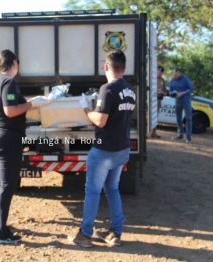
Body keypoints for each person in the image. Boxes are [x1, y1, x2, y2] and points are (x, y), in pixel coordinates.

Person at [68, 49, 136, 248]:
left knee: (92, 190)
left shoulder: (107, 89)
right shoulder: (130, 90)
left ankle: (85, 235)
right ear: (124, 68)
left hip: (104, 150)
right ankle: (115, 232)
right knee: (112, 189)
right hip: (122, 148)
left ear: (106, 67)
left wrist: (86, 108)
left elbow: (101, 121)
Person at [0, 49, 49, 244]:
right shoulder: (9, 82)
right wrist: (32, 104)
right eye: (18, 63)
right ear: (13, 63)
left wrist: (27, 103)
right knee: (7, 184)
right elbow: (10, 110)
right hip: (7, 139)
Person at [169, 67, 194, 143]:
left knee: (188, 118)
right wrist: (173, 93)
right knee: (178, 118)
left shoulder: (185, 79)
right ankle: (180, 135)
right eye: (174, 74)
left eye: (176, 74)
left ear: (180, 73)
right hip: (178, 101)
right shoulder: (172, 80)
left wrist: (182, 93)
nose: (175, 76)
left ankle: (188, 137)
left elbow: (191, 88)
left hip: (186, 100)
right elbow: (169, 91)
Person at [149, 65, 167, 138]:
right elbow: (149, 90)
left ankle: (153, 132)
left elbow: (165, 91)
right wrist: (156, 91)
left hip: (158, 100)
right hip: (152, 100)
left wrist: (163, 92)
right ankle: (145, 133)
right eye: (159, 72)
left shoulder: (162, 80)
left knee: (155, 117)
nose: (160, 74)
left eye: (161, 73)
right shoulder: (151, 79)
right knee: (148, 117)